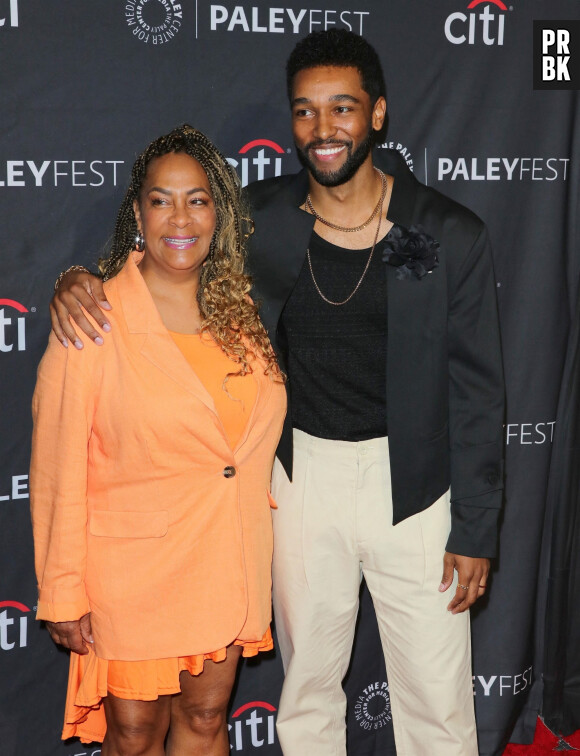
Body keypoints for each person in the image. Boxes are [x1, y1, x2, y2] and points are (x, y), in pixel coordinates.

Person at [49, 29, 504, 756]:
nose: (323, 130)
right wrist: (76, 282)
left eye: (342, 109)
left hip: (418, 490)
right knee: (306, 696)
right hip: (296, 482)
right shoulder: (253, 220)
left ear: (378, 115)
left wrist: (476, 528)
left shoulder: (450, 231)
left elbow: (480, 392)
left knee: (438, 702)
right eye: (305, 111)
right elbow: (167, 249)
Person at [30, 125, 286, 756]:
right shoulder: (93, 319)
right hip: (132, 571)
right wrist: (62, 589)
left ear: (218, 213)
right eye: (161, 198)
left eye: (197, 199)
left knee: (205, 720)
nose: (180, 217)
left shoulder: (243, 314)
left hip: (225, 562)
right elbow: (58, 467)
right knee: (136, 733)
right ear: (137, 212)